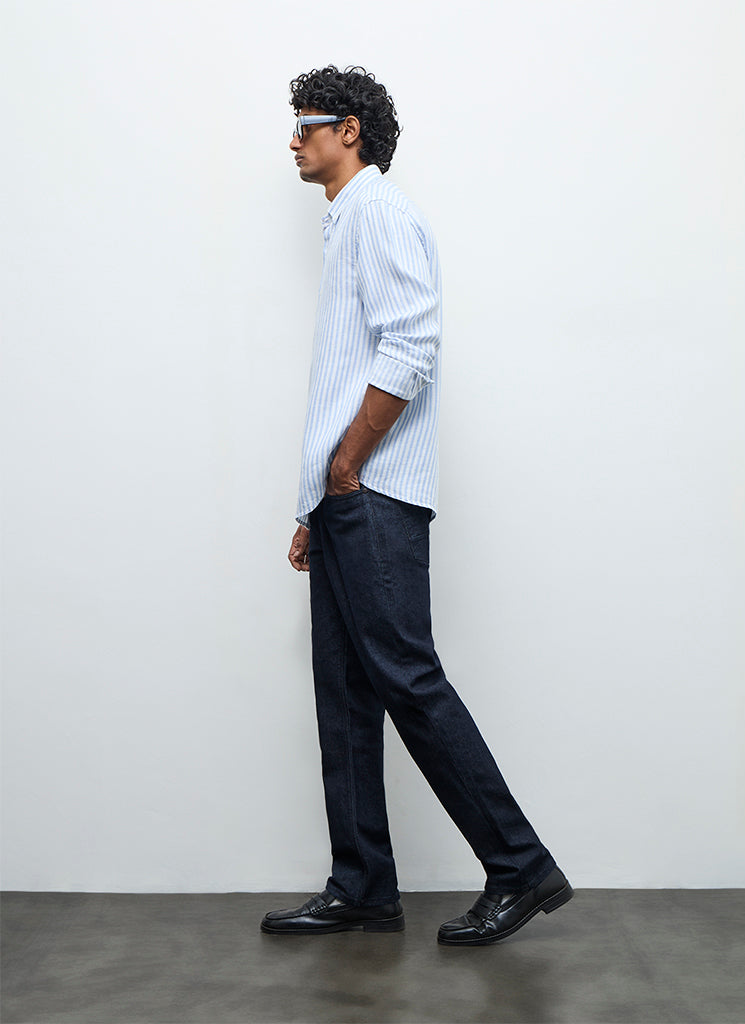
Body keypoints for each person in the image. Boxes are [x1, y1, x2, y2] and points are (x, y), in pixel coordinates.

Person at [261, 65, 572, 946]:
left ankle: (520, 866)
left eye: (307, 123)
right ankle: (362, 884)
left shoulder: (381, 213)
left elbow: (410, 346)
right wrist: (313, 503)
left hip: (376, 493)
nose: (294, 139)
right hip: (346, 499)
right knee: (345, 693)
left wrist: (347, 467)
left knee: (406, 677)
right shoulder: (346, 221)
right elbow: (347, 372)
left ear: (349, 130)